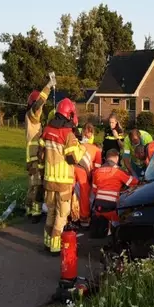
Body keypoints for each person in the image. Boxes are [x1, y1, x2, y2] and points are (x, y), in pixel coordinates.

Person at [38, 98, 86, 253]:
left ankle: (47, 242)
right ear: (69, 114)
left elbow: (41, 155)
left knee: (50, 212)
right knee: (62, 214)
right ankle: (55, 246)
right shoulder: (68, 135)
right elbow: (73, 158)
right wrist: (82, 148)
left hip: (48, 180)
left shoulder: (46, 130)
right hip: (63, 181)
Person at [24, 75, 55, 222]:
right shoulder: (32, 115)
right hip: (35, 157)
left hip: (32, 157)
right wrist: (48, 86)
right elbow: (39, 104)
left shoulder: (30, 118)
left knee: (32, 185)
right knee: (37, 185)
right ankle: (35, 212)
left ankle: (30, 210)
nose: (41, 110)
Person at [90, 148, 138, 238]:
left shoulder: (97, 172)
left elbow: (94, 190)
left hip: (98, 208)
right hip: (112, 208)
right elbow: (134, 182)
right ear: (117, 157)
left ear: (106, 158)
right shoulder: (118, 171)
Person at [71, 141, 102, 228]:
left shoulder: (84, 145)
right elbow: (97, 170)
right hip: (81, 169)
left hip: (70, 166)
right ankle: (84, 218)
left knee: (70, 191)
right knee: (84, 191)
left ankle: (69, 216)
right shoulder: (97, 151)